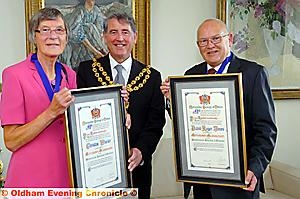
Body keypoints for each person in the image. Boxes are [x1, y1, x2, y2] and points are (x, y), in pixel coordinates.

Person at [160, 18, 277, 199]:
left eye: (216, 38)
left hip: (239, 181)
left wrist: (255, 168)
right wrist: (171, 101)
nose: (210, 46)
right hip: (202, 180)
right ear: (198, 45)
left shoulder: (253, 74)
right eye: (203, 41)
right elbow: (186, 125)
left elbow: (266, 129)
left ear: (229, 39)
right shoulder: (191, 75)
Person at [76, 10, 166, 199]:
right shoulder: (86, 71)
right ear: (104, 36)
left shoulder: (152, 77)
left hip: (137, 170)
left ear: (135, 37)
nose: (120, 38)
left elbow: (156, 123)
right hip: (96, 168)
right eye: (113, 32)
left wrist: (141, 150)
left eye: (125, 32)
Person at [0, 8, 76, 187]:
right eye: (45, 30)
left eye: (59, 30)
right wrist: (51, 112)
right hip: (30, 177)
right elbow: (11, 141)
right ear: (34, 37)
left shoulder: (69, 75)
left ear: (66, 37)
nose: (53, 36)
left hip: (67, 176)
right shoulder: (14, 75)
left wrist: (118, 117)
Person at [60, 0, 107, 71]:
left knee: (91, 27)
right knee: (89, 27)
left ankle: (102, 51)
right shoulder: (79, 11)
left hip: (93, 42)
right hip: (76, 42)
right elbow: (74, 33)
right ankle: (101, 51)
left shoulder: (96, 10)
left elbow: (100, 30)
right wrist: (95, 51)